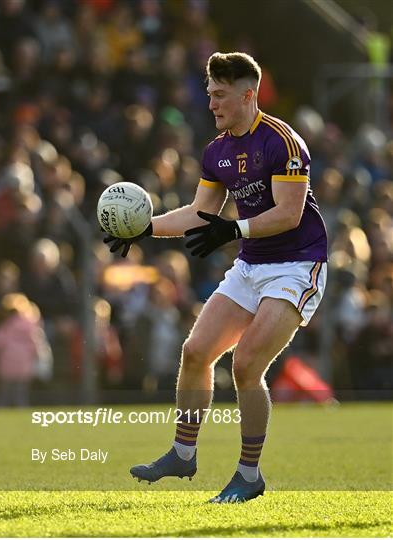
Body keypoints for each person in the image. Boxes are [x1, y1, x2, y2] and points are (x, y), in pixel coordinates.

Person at [103, 52, 328, 503]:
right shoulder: (217, 150)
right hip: (251, 265)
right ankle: (183, 453)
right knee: (196, 351)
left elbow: (289, 213)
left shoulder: (282, 141)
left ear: (249, 95)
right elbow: (197, 214)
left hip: (297, 264)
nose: (211, 104)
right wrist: (145, 230)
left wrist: (234, 228)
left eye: (220, 95)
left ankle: (248, 475)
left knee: (245, 364)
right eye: (209, 94)